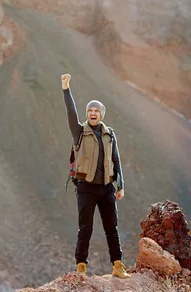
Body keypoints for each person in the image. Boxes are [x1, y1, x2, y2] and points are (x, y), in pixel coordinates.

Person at [61, 73, 131, 279]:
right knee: (86, 229)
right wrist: (66, 89)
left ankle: (118, 265)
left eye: (96, 111)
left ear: (101, 114)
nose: (93, 113)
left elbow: (116, 160)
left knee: (112, 228)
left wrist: (120, 185)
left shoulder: (110, 134)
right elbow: (70, 112)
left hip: (107, 188)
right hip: (86, 188)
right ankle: (81, 266)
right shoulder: (79, 132)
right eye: (90, 111)